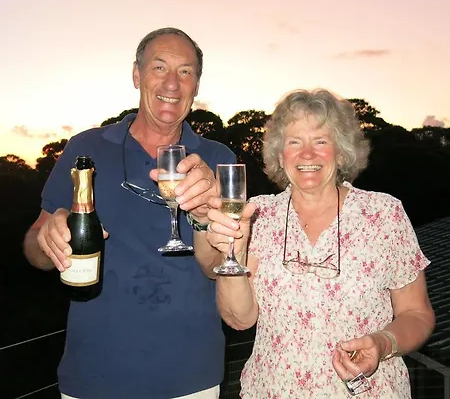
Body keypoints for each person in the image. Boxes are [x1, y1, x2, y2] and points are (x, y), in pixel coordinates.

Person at [23, 27, 234, 399]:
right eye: (159, 67)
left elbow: (222, 267)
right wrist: (48, 240)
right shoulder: (85, 149)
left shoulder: (219, 160)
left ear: (197, 85)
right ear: (137, 75)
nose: (172, 83)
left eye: (185, 71)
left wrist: (205, 216)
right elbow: (34, 250)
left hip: (190, 378)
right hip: (92, 375)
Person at [203, 89, 435, 398]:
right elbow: (239, 319)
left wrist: (383, 343)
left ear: (341, 151)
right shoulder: (258, 214)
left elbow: (417, 314)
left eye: (321, 141)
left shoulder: (383, 214)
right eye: (294, 142)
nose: (307, 154)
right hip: (274, 391)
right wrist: (233, 251)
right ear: (279, 154)